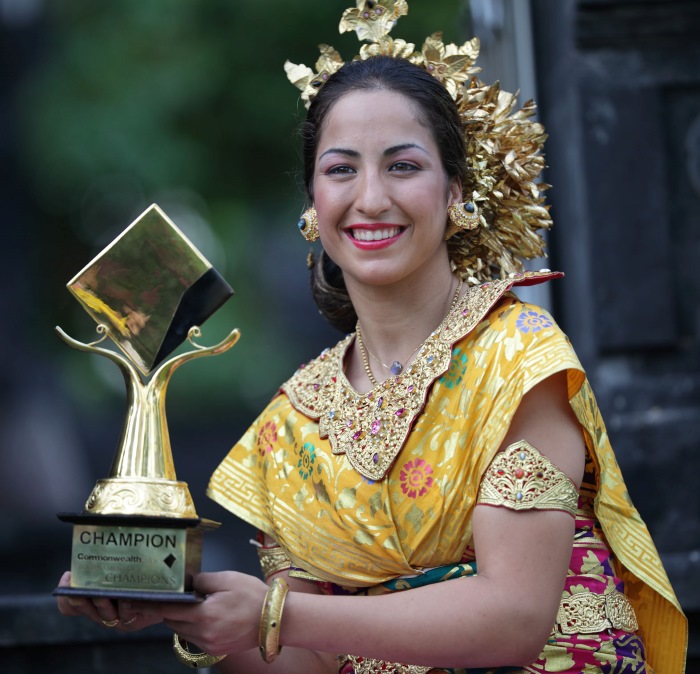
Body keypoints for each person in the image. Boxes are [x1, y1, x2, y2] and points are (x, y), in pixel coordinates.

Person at [57, 2, 687, 673]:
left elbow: (514, 618)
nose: (371, 198)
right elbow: (300, 660)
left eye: (403, 166)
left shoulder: (518, 357)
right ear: (312, 205)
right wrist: (178, 604)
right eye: (341, 170)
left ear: (457, 192)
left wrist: (275, 612)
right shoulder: (292, 425)